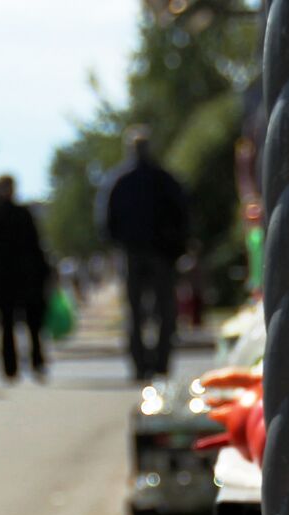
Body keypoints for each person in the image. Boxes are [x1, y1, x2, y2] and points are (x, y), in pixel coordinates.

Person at [98, 126, 188, 380]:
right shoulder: (164, 179)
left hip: (138, 253)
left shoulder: (120, 181)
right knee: (162, 312)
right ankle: (159, 362)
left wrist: (119, 243)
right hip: (157, 253)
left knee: (137, 312)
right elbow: (182, 214)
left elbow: (106, 221)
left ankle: (142, 364)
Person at [0, 175, 50, 381]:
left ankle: (26, 363)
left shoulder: (3, 214)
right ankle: (18, 365)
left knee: (23, 324)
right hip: (14, 279)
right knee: (14, 325)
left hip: (18, 278)